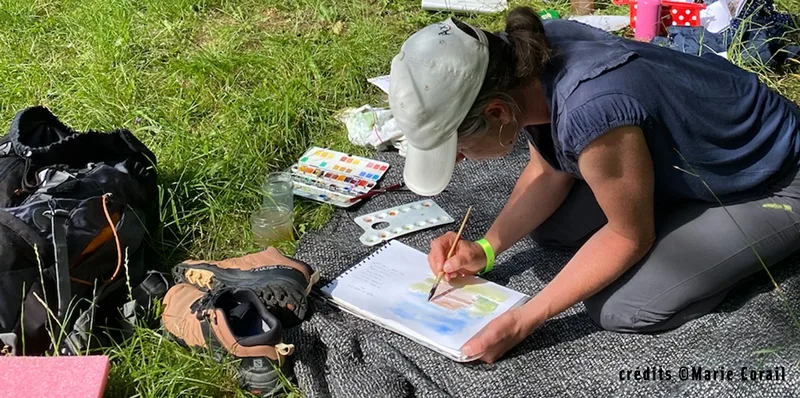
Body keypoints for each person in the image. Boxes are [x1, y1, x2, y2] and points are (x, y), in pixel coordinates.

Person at [387, 7, 800, 363]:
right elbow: (549, 169)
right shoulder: (526, 64)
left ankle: (718, 240)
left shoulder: (591, 111)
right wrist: (486, 249)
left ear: (497, 112)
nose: (460, 162)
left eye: (458, 150)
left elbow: (628, 237)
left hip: (774, 179)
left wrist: (523, 319)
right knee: (553, 228)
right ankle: (668, 205)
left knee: (623, 306)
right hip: (697, 149)